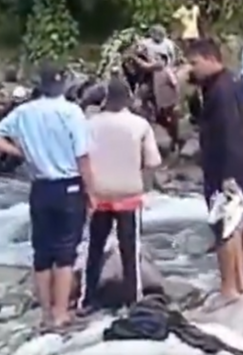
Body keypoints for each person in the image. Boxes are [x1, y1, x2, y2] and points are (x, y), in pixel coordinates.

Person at [0, 62, 92, 329]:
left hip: (40, 187)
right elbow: (82, 156)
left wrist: (21, 153)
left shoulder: (24, 112)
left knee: (42, 253)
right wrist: (92, 192)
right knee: (66, 252)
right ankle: (60, 313)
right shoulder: (72, 112)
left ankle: (45, 314)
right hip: (69, 186)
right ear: (64, 85)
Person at [82, 78, 161, 311]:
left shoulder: (90, 124)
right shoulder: (140, 124)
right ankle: (132, 299)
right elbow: (153, 161)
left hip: (99, 194)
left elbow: (81, 157)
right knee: (130, 248)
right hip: (128, 193)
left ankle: (88, 299)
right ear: (128, 98)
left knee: (94, 247)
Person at [186, 38, 243, 300]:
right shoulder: (230, 83)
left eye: (195, 63)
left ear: (211, 59)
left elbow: (226, 129)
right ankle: (240, 282)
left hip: (225, 163)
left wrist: (226, 173)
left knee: (222, 226)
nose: (192, 69)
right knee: (233, 224)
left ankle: (228, 287)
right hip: (237, 159)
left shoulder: (221, 91)